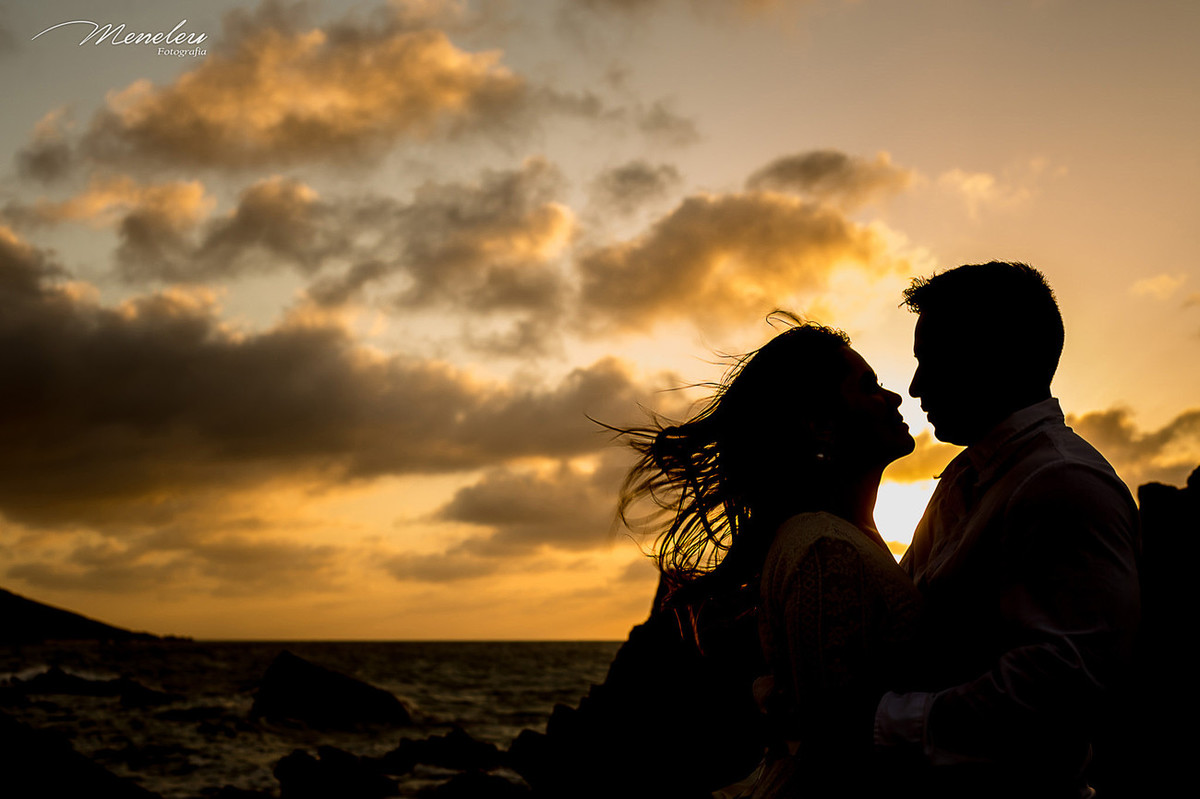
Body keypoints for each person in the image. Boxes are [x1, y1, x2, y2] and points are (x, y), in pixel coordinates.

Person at [874, 262, 1141, 798]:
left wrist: (882, 721)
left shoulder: (1062, 482)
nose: (915, 385)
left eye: (932, 360)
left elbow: (1070, 677)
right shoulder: (969, 478)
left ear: (993, 357)